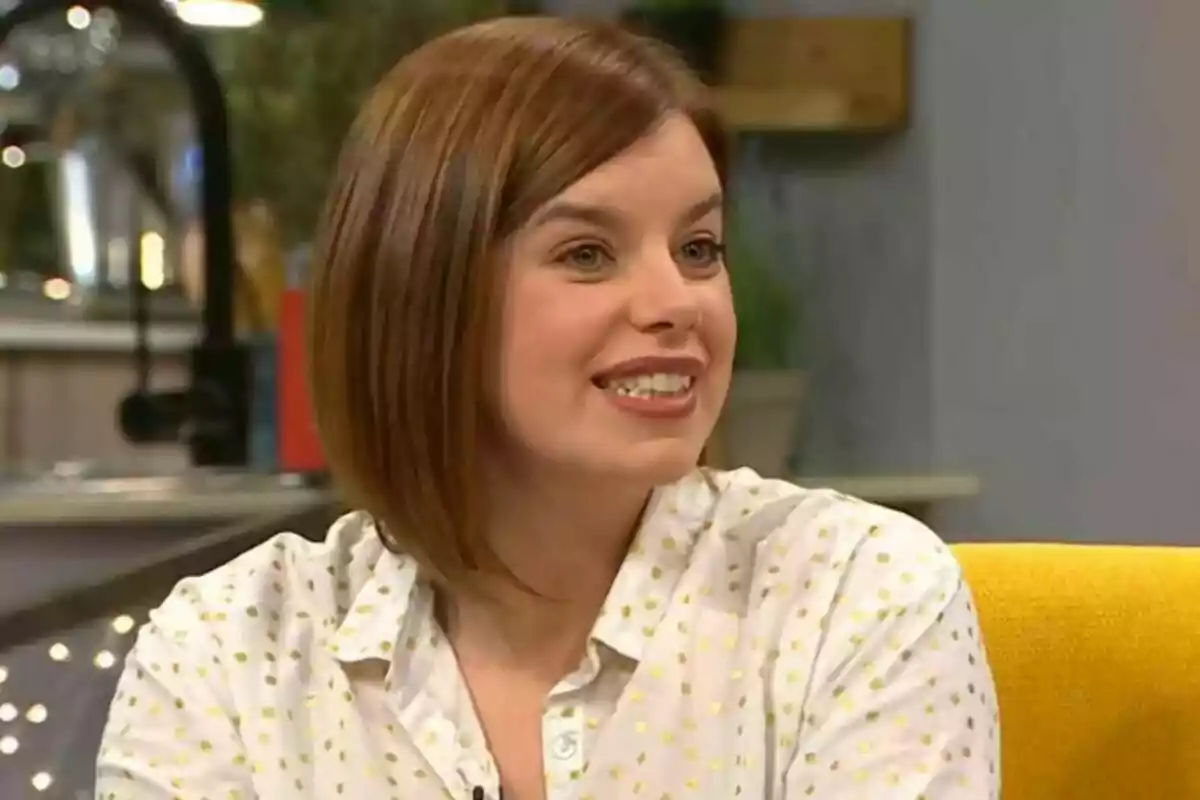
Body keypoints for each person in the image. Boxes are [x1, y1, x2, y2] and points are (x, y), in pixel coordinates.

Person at [96, 15, 999, 800]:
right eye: (587, 254)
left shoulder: (855, 593)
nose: (676, 301)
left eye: (698, 246)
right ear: (422, 294)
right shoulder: (227, 654)